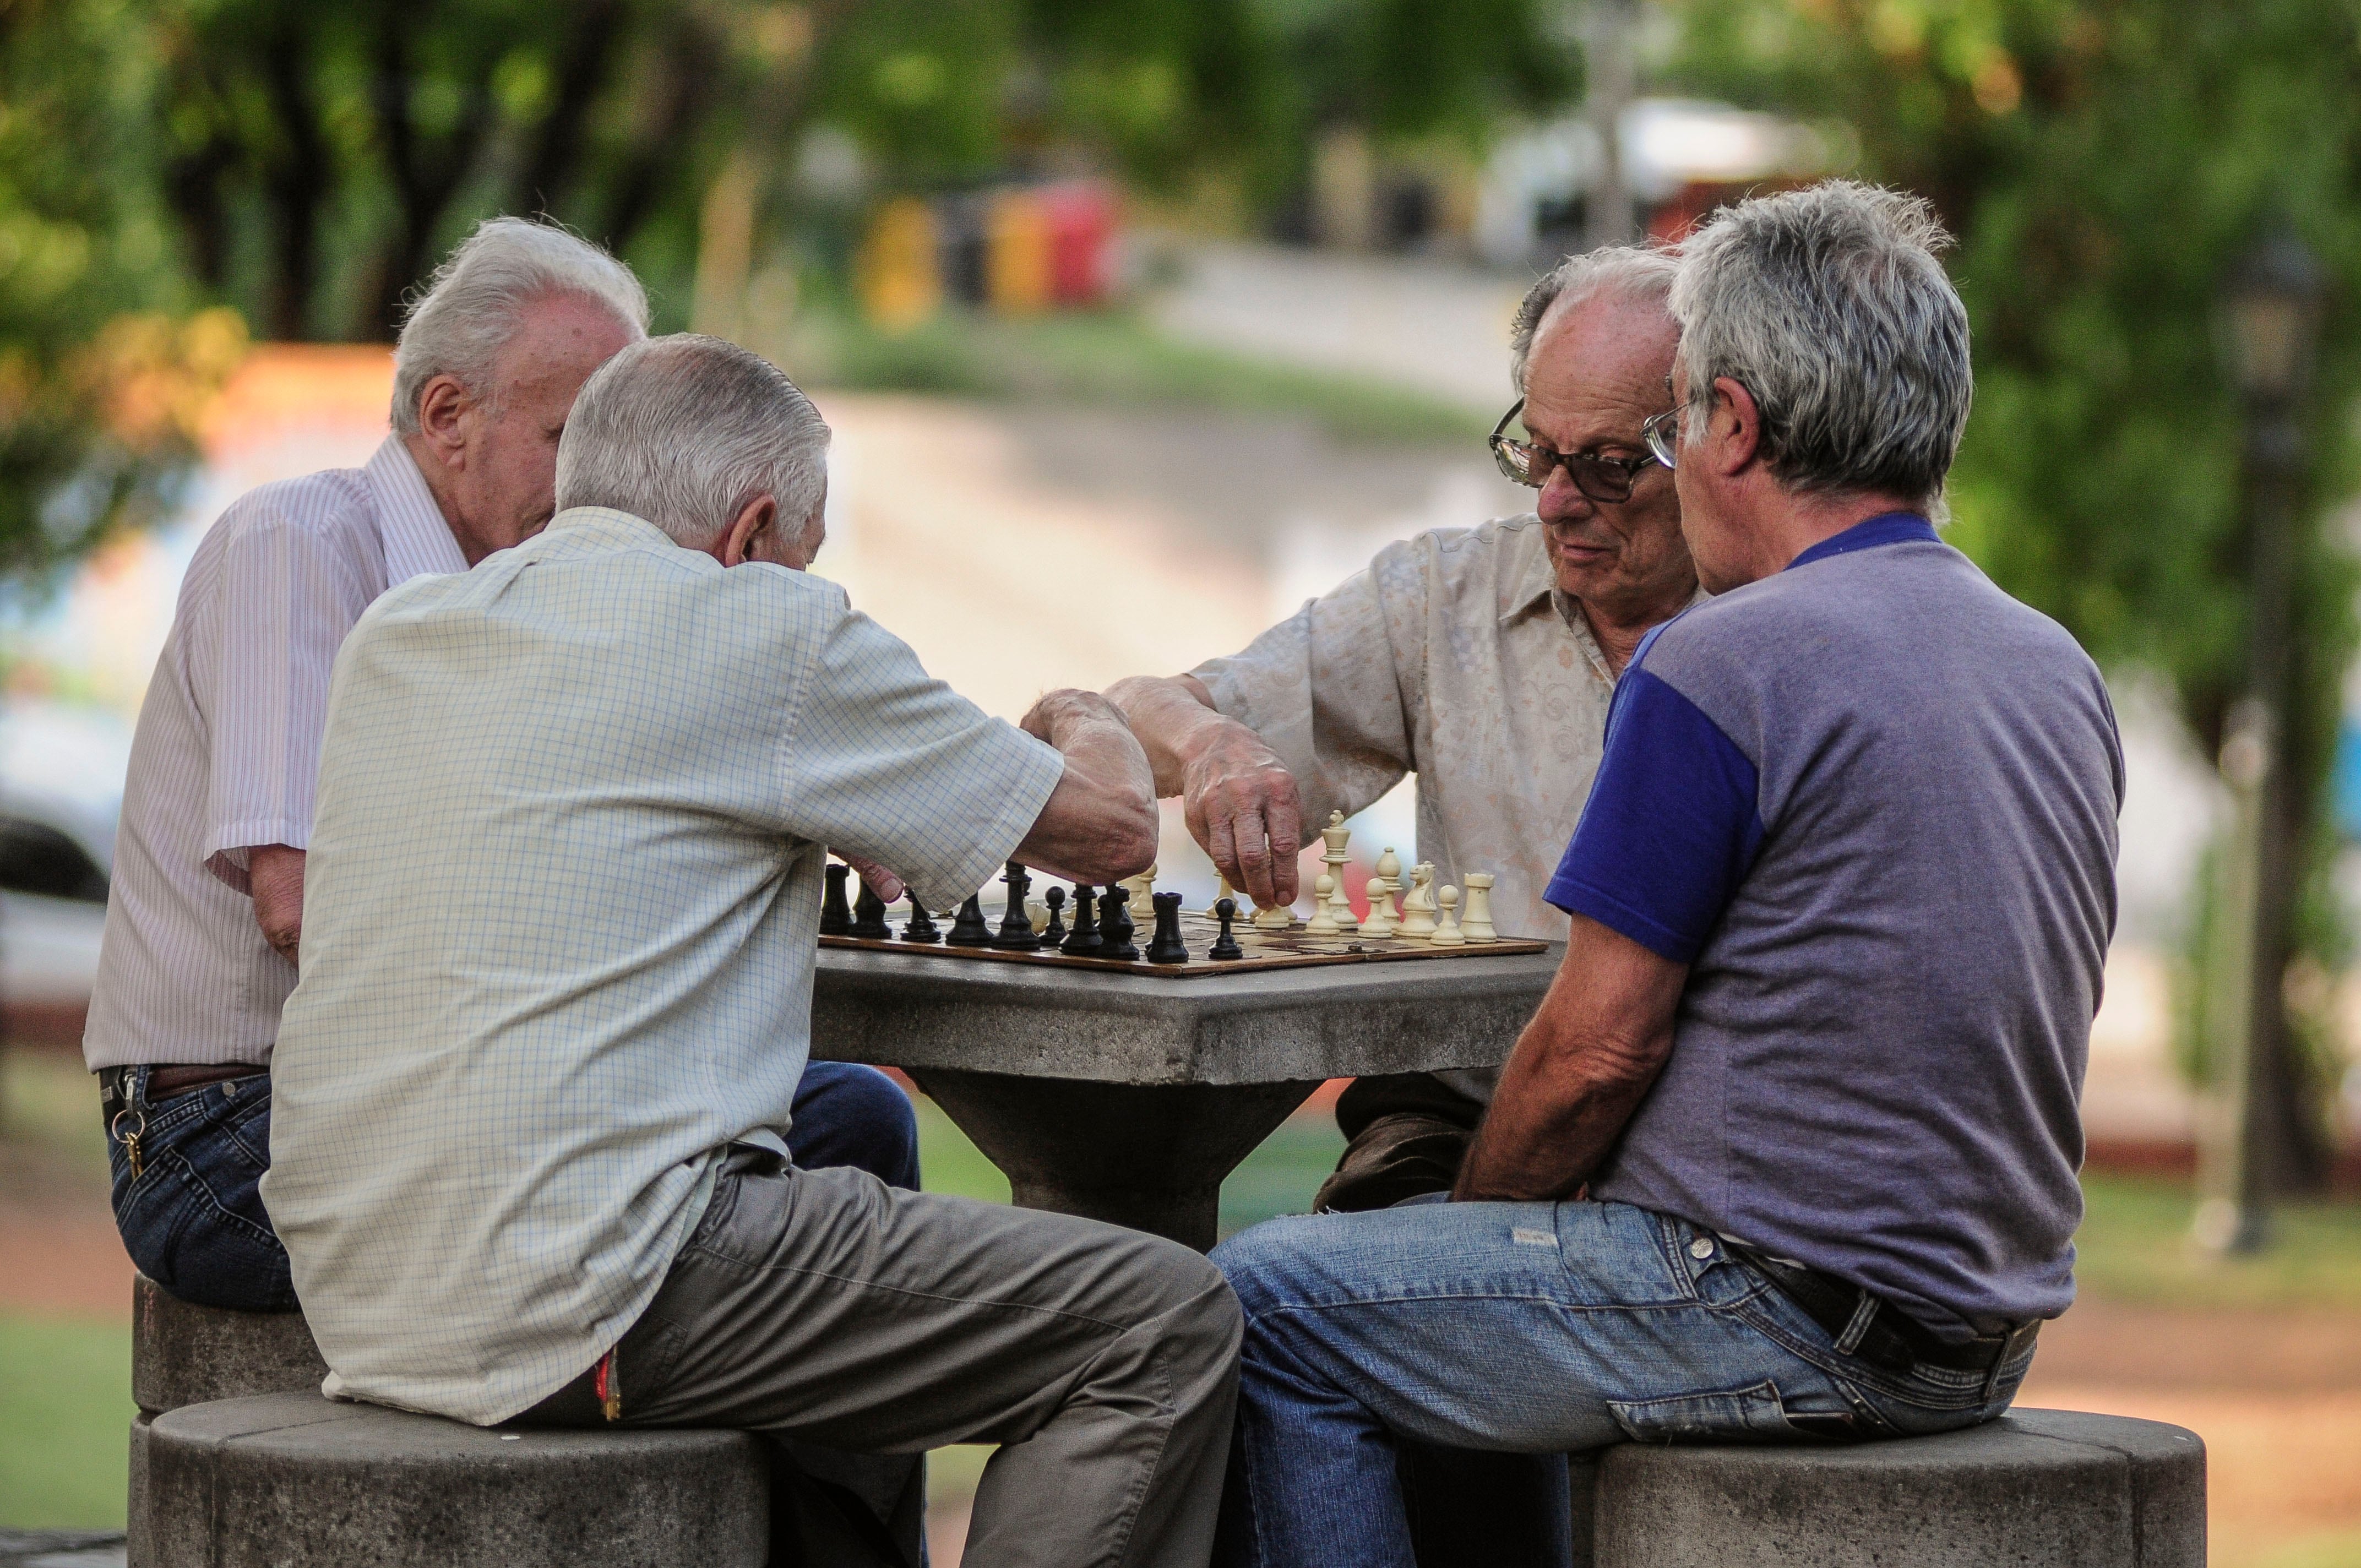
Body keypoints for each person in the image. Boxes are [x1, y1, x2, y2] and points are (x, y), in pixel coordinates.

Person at [1207, 181, 2125, 1568]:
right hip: (1980, 1334)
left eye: (1671, 420)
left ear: (1732, 425)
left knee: (1263, 1298)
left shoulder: (1722, 661)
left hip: (1759, 1304)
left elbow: (1591, 1050)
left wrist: (1472, 1235)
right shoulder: (2048, 664)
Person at [263, 336, 1242, 1568]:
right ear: (756, 528)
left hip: (364, 1291)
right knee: (1161, 1320)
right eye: (805, 553)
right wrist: (1085, 713)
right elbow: (1105, 836)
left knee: (843, 1176)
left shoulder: (401, 634)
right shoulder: (761, 627)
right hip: (596, 1286)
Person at [82, 217, 924, 1320]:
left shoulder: (544, 603)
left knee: (851, 1117)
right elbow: (300, 901)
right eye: (571, 439)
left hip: (452, 1108)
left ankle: (809, 1503)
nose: (599, 486)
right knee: (732, 1191)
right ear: (447, 417)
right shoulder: (296, 546)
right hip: (233, 1133)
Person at [1106, 246, 1701, 1211]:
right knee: (1263, 1299)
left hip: (1700, 1148)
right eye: (1538, 453)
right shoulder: (1444, 598)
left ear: (1712, 442)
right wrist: (1214, 744)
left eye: (1611, 467)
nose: (1555, 498)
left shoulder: (1783, 629)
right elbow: (1146, 710)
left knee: (1256, 1307)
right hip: (1459, 1124)